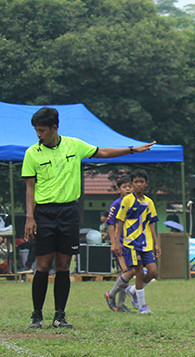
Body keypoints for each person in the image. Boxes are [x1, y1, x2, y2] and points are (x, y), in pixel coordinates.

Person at [22, 106, 155, 328]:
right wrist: (30, 217)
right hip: (44, 213)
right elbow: (30, 188)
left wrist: (131, 149)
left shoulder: (74, 145)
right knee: (43, 265)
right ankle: (37, 315)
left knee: (64, 264)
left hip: (68, 212)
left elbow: (103, 152)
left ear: (55, 128)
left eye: (42, 130)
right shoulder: (31, 153)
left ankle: (59, 316)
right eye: (36, 130)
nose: (39, 134)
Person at [115, 169, 160, 315]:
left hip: (146, 243)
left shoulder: (149, 202)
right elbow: (120, 221)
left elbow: (151, 223)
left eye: (141, 182)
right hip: (131, 243)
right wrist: (117, 242)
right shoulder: (127, 200)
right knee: (139, 271)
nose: (139, 185)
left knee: (153, 272)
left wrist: (156, 243)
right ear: (132, 184)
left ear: (146, 184)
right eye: (136, 182)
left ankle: (134, 290)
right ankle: (142, 306)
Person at [104, 175, 135, 312]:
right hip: (120, 243)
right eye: (124, 187)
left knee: (128, 274)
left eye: (130, 186)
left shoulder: (135, 202)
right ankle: (111, 295)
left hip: (132, 243)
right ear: (119, 189)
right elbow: (111, 224)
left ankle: (121, 304)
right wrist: (114, 243)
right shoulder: (116, 204)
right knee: (127, 271)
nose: (128, 189)